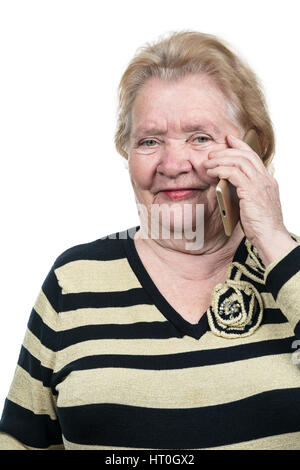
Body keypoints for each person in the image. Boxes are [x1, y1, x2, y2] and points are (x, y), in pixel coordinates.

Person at [0, 30, 299, 451]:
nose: (173, 165)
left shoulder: (292, 267)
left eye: (200, 137)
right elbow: (20, 441)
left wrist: (271, 238)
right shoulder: (75, 281)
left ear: (253, 147)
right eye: (150, 141)